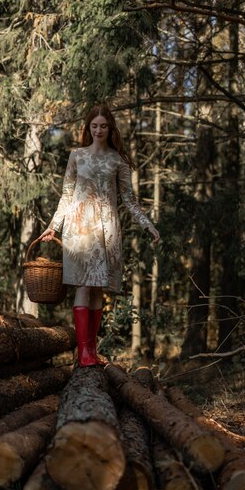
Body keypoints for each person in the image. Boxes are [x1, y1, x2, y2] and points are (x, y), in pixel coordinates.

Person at [40, 104, 160, 366]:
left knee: (98, 290)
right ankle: (83, 353)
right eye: (94, 126)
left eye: (103, 125)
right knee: (84, 284)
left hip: (107, 229)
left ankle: (90, 350)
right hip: (79, 228)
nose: (98, 130)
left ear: (110, 128)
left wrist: (147, 224)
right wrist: (54, 226)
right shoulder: (77, 156)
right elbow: (66, 195)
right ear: (88, 128)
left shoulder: (118, 161)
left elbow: (129, 200)